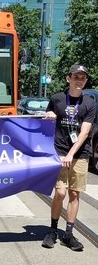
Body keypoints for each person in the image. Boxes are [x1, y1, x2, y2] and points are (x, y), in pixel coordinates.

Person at [42, 64, 96, 252]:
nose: (79, 80)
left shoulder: (90, 102)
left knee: (74, 193)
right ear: (68, 78)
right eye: (76, 76)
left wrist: (72, 154)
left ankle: (68, 233)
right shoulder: (57, 98)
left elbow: (84, 132)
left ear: (86, 81)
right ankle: (52, 230)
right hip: (59, 151)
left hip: (79, 155)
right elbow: (47, 121)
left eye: (83, 77)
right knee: (60, 193)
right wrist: (48, 115)